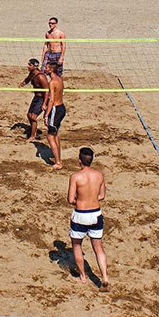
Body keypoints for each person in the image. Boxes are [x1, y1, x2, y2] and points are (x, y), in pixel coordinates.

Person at [67, 147, 109, 288]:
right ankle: (104, 277)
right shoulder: (99, 175)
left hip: (81, 214)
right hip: (95, 213)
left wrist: (80, 201)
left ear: (79, 161)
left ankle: (83, 277)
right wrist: (91, 199)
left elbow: (70, 199)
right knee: (98, 247)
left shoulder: (76, 177)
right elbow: (101, 196)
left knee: (77, 245)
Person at [20, 58, 49, 141]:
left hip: (42, 98)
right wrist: (22, 84)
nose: (28, 66)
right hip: (36, 97)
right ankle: (34, 131)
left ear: (35, 66)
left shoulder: (41, 76)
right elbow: (28, 79)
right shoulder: (32, 73)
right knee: (29, 115)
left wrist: (44, 103)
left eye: (30, 65)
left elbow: (47, 91)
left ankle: (33, 136)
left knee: (33, 116)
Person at [43, 61, 65, 170]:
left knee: (50, 136)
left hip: (55, 109)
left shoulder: (52, 82)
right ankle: (59, 159)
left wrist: (46, 115)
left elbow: (51, 100)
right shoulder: (60, 79)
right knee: (55, 134)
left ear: (51, 69)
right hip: (61, 108)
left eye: (47, 67)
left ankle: (58, 162)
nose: (45, 69)